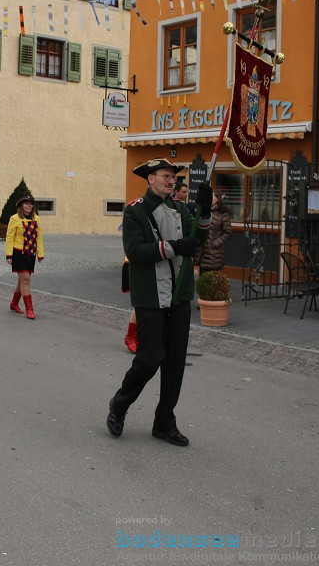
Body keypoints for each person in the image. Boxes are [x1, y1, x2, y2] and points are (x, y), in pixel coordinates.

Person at [106, 158, 212, 448]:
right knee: (150, 358)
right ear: (150, 179)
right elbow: (136, 251)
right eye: (165, 176)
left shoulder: (180, 208)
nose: (171, 181)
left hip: (180, 294)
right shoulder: (135, 211)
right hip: (152, 295)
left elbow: (199, 236)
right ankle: (119, 404)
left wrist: (205, 209)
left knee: (175, 364)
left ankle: (164, 422)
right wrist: (174, 247)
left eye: (173, 177)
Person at [5, 194, 44, 320]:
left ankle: (14, 303)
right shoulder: (14, 218)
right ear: (21, 205)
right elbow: (9, 237)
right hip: (18, 253)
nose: (29, 206)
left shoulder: (36, 219)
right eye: (26, 203)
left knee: (22, 281)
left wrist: (40, 253)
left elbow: (39, 237)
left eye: (31, 203)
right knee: (26, 279)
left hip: (30, 254)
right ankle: (30, 309)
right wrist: (9, 255)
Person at [197, 193, 232, 274]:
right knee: (202, 279)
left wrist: (215, 243)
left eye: (211, 196)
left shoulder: (223, 214)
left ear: (217, 199)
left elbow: (228, 232)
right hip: (202, 253)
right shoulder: (204, 211)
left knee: (211, 280)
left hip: (214, 253)